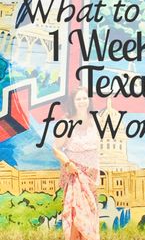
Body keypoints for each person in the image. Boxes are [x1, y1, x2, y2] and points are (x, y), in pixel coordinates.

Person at [53, 87, 100, 240]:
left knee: (90, 216)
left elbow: (96, 149)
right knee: (77, 216)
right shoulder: (66, 123)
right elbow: (56, 149)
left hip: (92, 176)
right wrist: (68, 164)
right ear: (73, 102)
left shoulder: (96, 120)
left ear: (89, 101)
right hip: (75, 174)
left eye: (84, 98)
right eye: (78, 99)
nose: (82, 101)